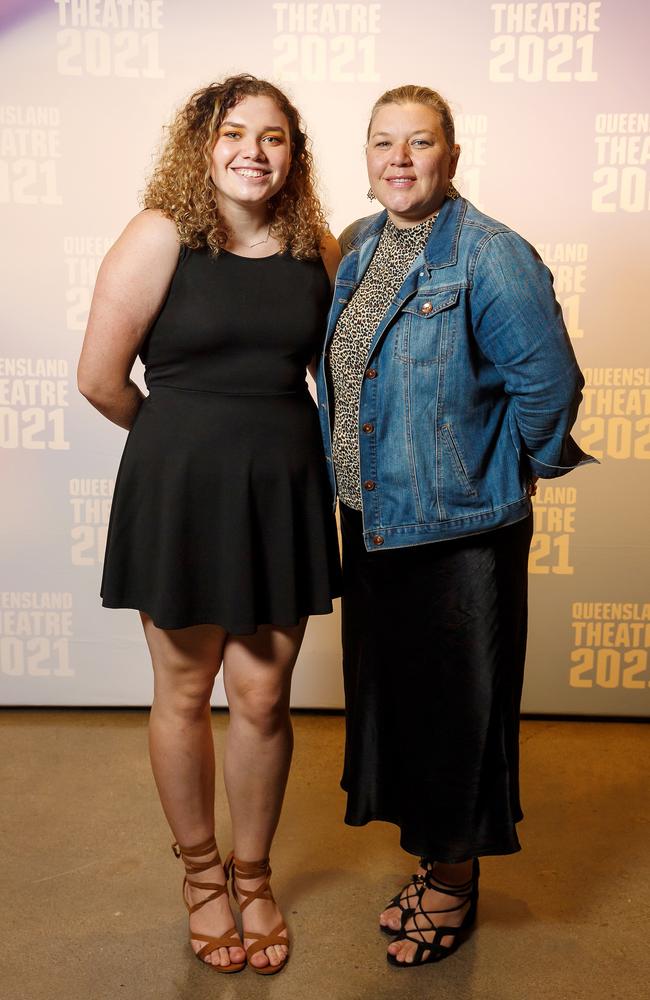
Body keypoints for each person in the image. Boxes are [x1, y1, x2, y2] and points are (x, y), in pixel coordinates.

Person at [316, 84, 595, 968]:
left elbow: (550, 389)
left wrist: (494, 480)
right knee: (402, 707)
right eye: (383, 143)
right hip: (375, 525)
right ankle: (434, 858)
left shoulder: (491, 254)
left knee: (458, 716)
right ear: (365, 159)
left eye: (420, 142)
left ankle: (454, 880)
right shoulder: (359, 248)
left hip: (458, 536)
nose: (400, 159)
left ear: (452, 156)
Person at [78, 74, 341, 976]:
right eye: (235, 133)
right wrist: (180, 447)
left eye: (275, 138)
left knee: (264, 696)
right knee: (186, 693)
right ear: (202, 143)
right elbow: (101, 380)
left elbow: (348, 373)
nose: (254, 152)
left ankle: (255, 874)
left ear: (294, 153)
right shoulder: (160, 236)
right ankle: (200, 879)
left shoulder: (318, 245)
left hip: (282, 492)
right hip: (183, 490)